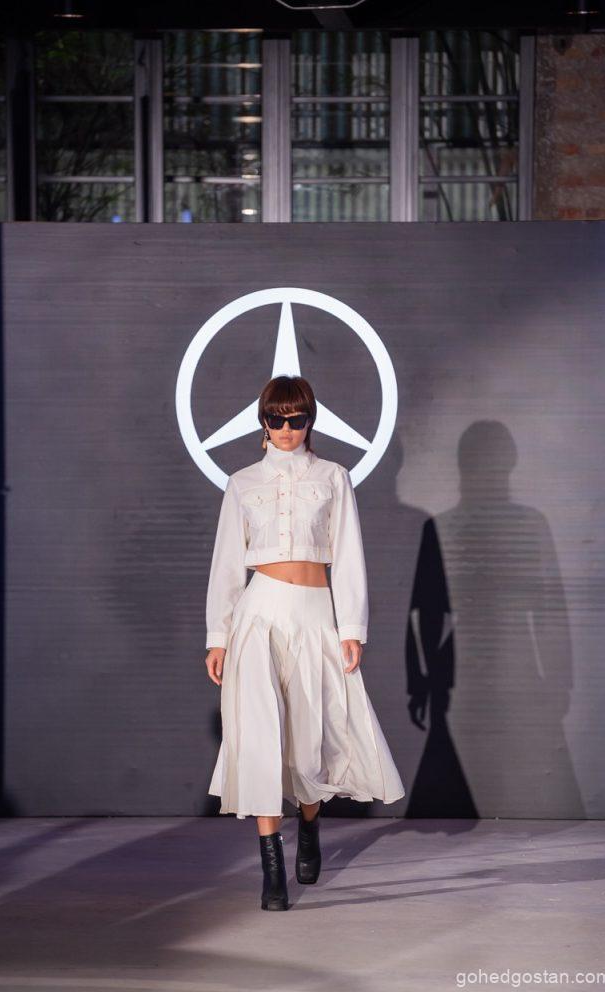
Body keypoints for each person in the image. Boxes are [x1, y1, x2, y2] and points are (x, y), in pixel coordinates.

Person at [204, 375, 405, 910]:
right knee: (259, 738)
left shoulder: (334, 477)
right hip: (258, 616)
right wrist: (218, 636)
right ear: (263, 422)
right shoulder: (242, 483)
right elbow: (227, 564)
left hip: (316, 615)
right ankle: (272, 869)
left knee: (312, 741)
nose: (287, 429)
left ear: (310, 421)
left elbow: (349, 556)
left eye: (296, 419)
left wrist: (351, 628)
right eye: (277, 419)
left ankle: (310, 827)